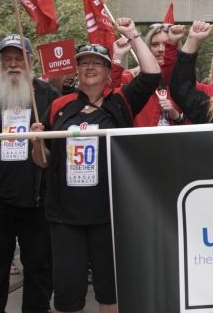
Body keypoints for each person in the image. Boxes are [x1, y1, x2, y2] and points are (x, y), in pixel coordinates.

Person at [29, 17, 159, 313]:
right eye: (84, 62)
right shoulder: (59, 107)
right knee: (67, 293)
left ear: (107, 70)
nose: (89, 68)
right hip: (65, 216)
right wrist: (37, 143)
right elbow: (43, 162)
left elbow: (151, 75)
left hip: (109, 214)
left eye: (97, 63)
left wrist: (132, 35)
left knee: (109, 291)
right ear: (76, 69)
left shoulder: (121, 102)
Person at [0, 34, 57, 313]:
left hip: (37, 198)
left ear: (30, 60)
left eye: (19, 57)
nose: (13, 63)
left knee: (39, 265)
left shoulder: (49, 96)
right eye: (7, 58)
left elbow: (58, 148)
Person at [132, 24, 187, 127]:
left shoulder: (185, 83)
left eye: (166, 44)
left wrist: (177, 116)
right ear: (147, 48)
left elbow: (195, 122)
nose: (161, 49)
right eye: (155, 44)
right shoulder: (131, 79)